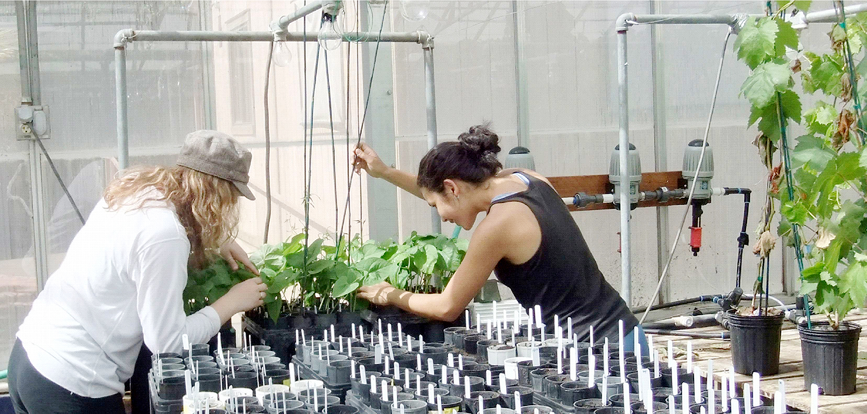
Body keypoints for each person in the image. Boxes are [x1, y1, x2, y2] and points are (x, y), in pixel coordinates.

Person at [8, 130, 266, 413]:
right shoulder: (165, 235)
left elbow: (139, 248)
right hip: (73, 383)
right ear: (216, 195)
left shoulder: (137, 193)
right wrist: (231, 303)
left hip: (30, 360)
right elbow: (166, 342)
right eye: (230, 198)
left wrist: (214, 238)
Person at [354, 125, 645, 350]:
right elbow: (442, 191)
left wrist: (391, 294)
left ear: (452, 188)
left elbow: (447, 306)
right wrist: (385, 172)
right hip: (626, 332)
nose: (442, 217)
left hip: (600, 351)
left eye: (435, 206)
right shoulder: (524, 178)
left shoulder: (497, 227)